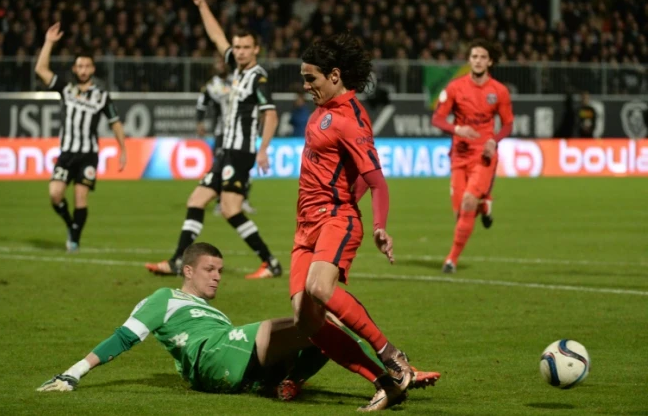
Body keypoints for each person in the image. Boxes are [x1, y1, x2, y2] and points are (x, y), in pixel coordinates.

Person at [38, 242, 438, 409]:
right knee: (311, 319)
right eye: (209, 270)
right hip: (211, 356)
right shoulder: (163, 300)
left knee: (320, 327)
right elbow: (123, 338)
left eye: (221, 270)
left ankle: (288, 382)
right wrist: (73, 374)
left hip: (232, 361)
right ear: (188, 269)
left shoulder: (213, 313)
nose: (216, 277)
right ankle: (391, 376)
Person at [289, 33, 437, 411]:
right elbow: (350, 171)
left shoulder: (352, 119)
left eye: (312, 79)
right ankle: (385, 381)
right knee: (305, 322)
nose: (306, 87)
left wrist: (377, 226)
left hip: (335, 219)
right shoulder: (323, 111)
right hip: (305, 225)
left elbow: (376, 180)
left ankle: (392, 354)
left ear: (335, 75)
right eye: (304, 79)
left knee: (320, 287)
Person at [146, 0, 281, 278]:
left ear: (256, 49)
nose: (240, 51)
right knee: (196, 201)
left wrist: (262, 149)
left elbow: (271, 114)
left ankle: (269, 261)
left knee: (231, 209)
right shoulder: (238, 70)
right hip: (225, 152)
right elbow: (216, 37)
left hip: (241, 153)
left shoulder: (258, 79)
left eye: (246, 47)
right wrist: (202, 5)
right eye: (238, 47)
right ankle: (177, 262)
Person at [34, 22, 127, 253]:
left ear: (93, 69)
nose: (83, 69)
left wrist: (123, 150)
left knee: (80, 198)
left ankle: (74, 239)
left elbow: (115, 123)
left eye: (87, 66)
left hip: (88, 155)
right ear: (75, 70)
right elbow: (41, 70)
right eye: (79, 66)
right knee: (55, 194)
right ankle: (71, 226)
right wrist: (49, 42)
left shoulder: (102, 97)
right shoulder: (66, 89)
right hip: (66, 153)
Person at [431, 39, 514, 273]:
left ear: (490, 61)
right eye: (474, 56)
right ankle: (484, 206)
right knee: (461, 212)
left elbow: (508, 125)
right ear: (469, 60)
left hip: (483, 155)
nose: (478, 61)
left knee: (468, 201)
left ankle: (451, 260)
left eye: (482, 57)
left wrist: (493, 141)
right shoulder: (455, 88)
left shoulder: (499, 91)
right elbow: (437, 119)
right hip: (459, 155)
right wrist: (457, 129)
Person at [196, 55, 256, 216]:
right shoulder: (211, 86)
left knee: (243, 167)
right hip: (222, 132)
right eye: (218, 62)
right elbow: (201, 105)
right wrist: (200, 122)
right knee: (221, 167)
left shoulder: (237, 80)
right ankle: (219, 202)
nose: (220, 65)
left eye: (222, 62)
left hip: (241, 131)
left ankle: (242, 200)